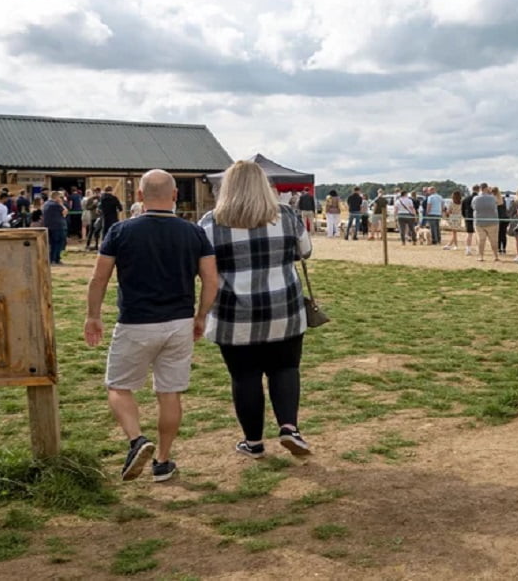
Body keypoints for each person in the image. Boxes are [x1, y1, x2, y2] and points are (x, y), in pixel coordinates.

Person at [85, 170, 218, 483]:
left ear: (140, 197)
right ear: (174, 196)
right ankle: (163, 459)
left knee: (118, 386)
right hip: (179, 321)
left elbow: (99, 277)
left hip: (136, 322)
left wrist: (93, 314)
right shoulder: (194, 232)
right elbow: (211, 279)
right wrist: (201, 316)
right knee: (169, 393)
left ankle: (136, 440)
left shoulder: (120, 231)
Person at [198, 160, 314, 460]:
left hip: (234, 315)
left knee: (245, 377)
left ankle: (253, 442)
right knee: (285, 369)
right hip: (283, 309)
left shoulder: (211, 222)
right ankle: (289, 427)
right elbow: (306, 251)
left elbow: (202, 268)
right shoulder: (286, 215)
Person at [472, 182, 500, 262]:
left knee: (481, 240)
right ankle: (495, 256)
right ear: (487, 188)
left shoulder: (475, 198)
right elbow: (497, 204)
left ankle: (481, 256)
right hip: (492, 221)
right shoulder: (493, 198)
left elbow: (473, 207)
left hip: (479, 221)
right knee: (494, 240)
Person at [42, 191, 68, 264]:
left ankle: (51, 258)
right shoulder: (56, 205)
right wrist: (61, 204)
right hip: (58, 226)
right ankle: (56, 258)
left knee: (51, 243)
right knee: (58, 243)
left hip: (48, 226)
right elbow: (65, 213)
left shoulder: (45, 204)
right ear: (56, 197)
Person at [462, 184, 478, 255]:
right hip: (477, 217)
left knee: (469, 234)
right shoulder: (478, 198)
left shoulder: (466, 199)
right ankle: (478, 249)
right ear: (478, 190)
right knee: (478, 234)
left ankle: (468, 249)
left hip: (468, 217)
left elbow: (462, 209)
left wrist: (465, 216)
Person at [495, 187, 510, 254]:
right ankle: (504, 249)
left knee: (498, 234)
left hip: (498, 218)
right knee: (503, 234)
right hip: (505, 218)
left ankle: (499, 249)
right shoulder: (503, 199)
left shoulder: (493, 200)